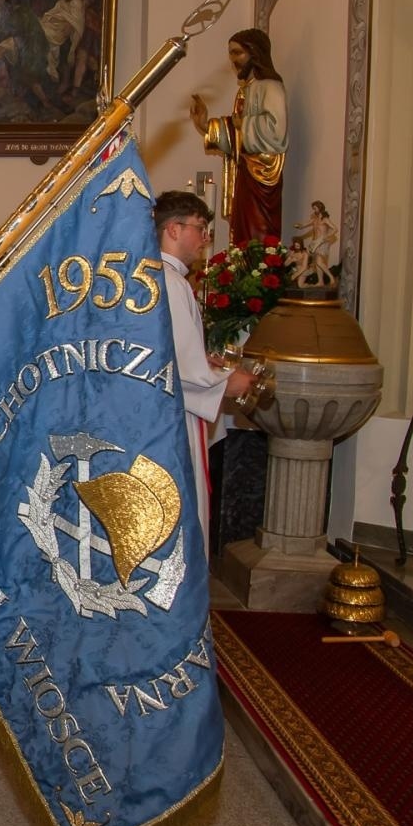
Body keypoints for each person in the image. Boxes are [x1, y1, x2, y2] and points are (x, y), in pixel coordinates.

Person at [153, 190, 255, 537]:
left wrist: (204, 361)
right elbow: (176, 368)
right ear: (173, 229)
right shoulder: (169, 282)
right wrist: (226, 383)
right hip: (174, 416)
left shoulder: (165, 278)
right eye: (200, 228)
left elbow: (170, 351)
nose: (205, 239)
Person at [189, 27, 287, 246]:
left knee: (260, 230)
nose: (233, 60)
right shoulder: (245, 90)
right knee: (244, 230)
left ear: (255, 53)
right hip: (245, 171)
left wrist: (244, 123)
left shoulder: (270, 87)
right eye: (231, 54)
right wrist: (205, 125)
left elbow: (277, 130)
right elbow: (236, 134)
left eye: (238, 53)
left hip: (263, 173)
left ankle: (262, 261)